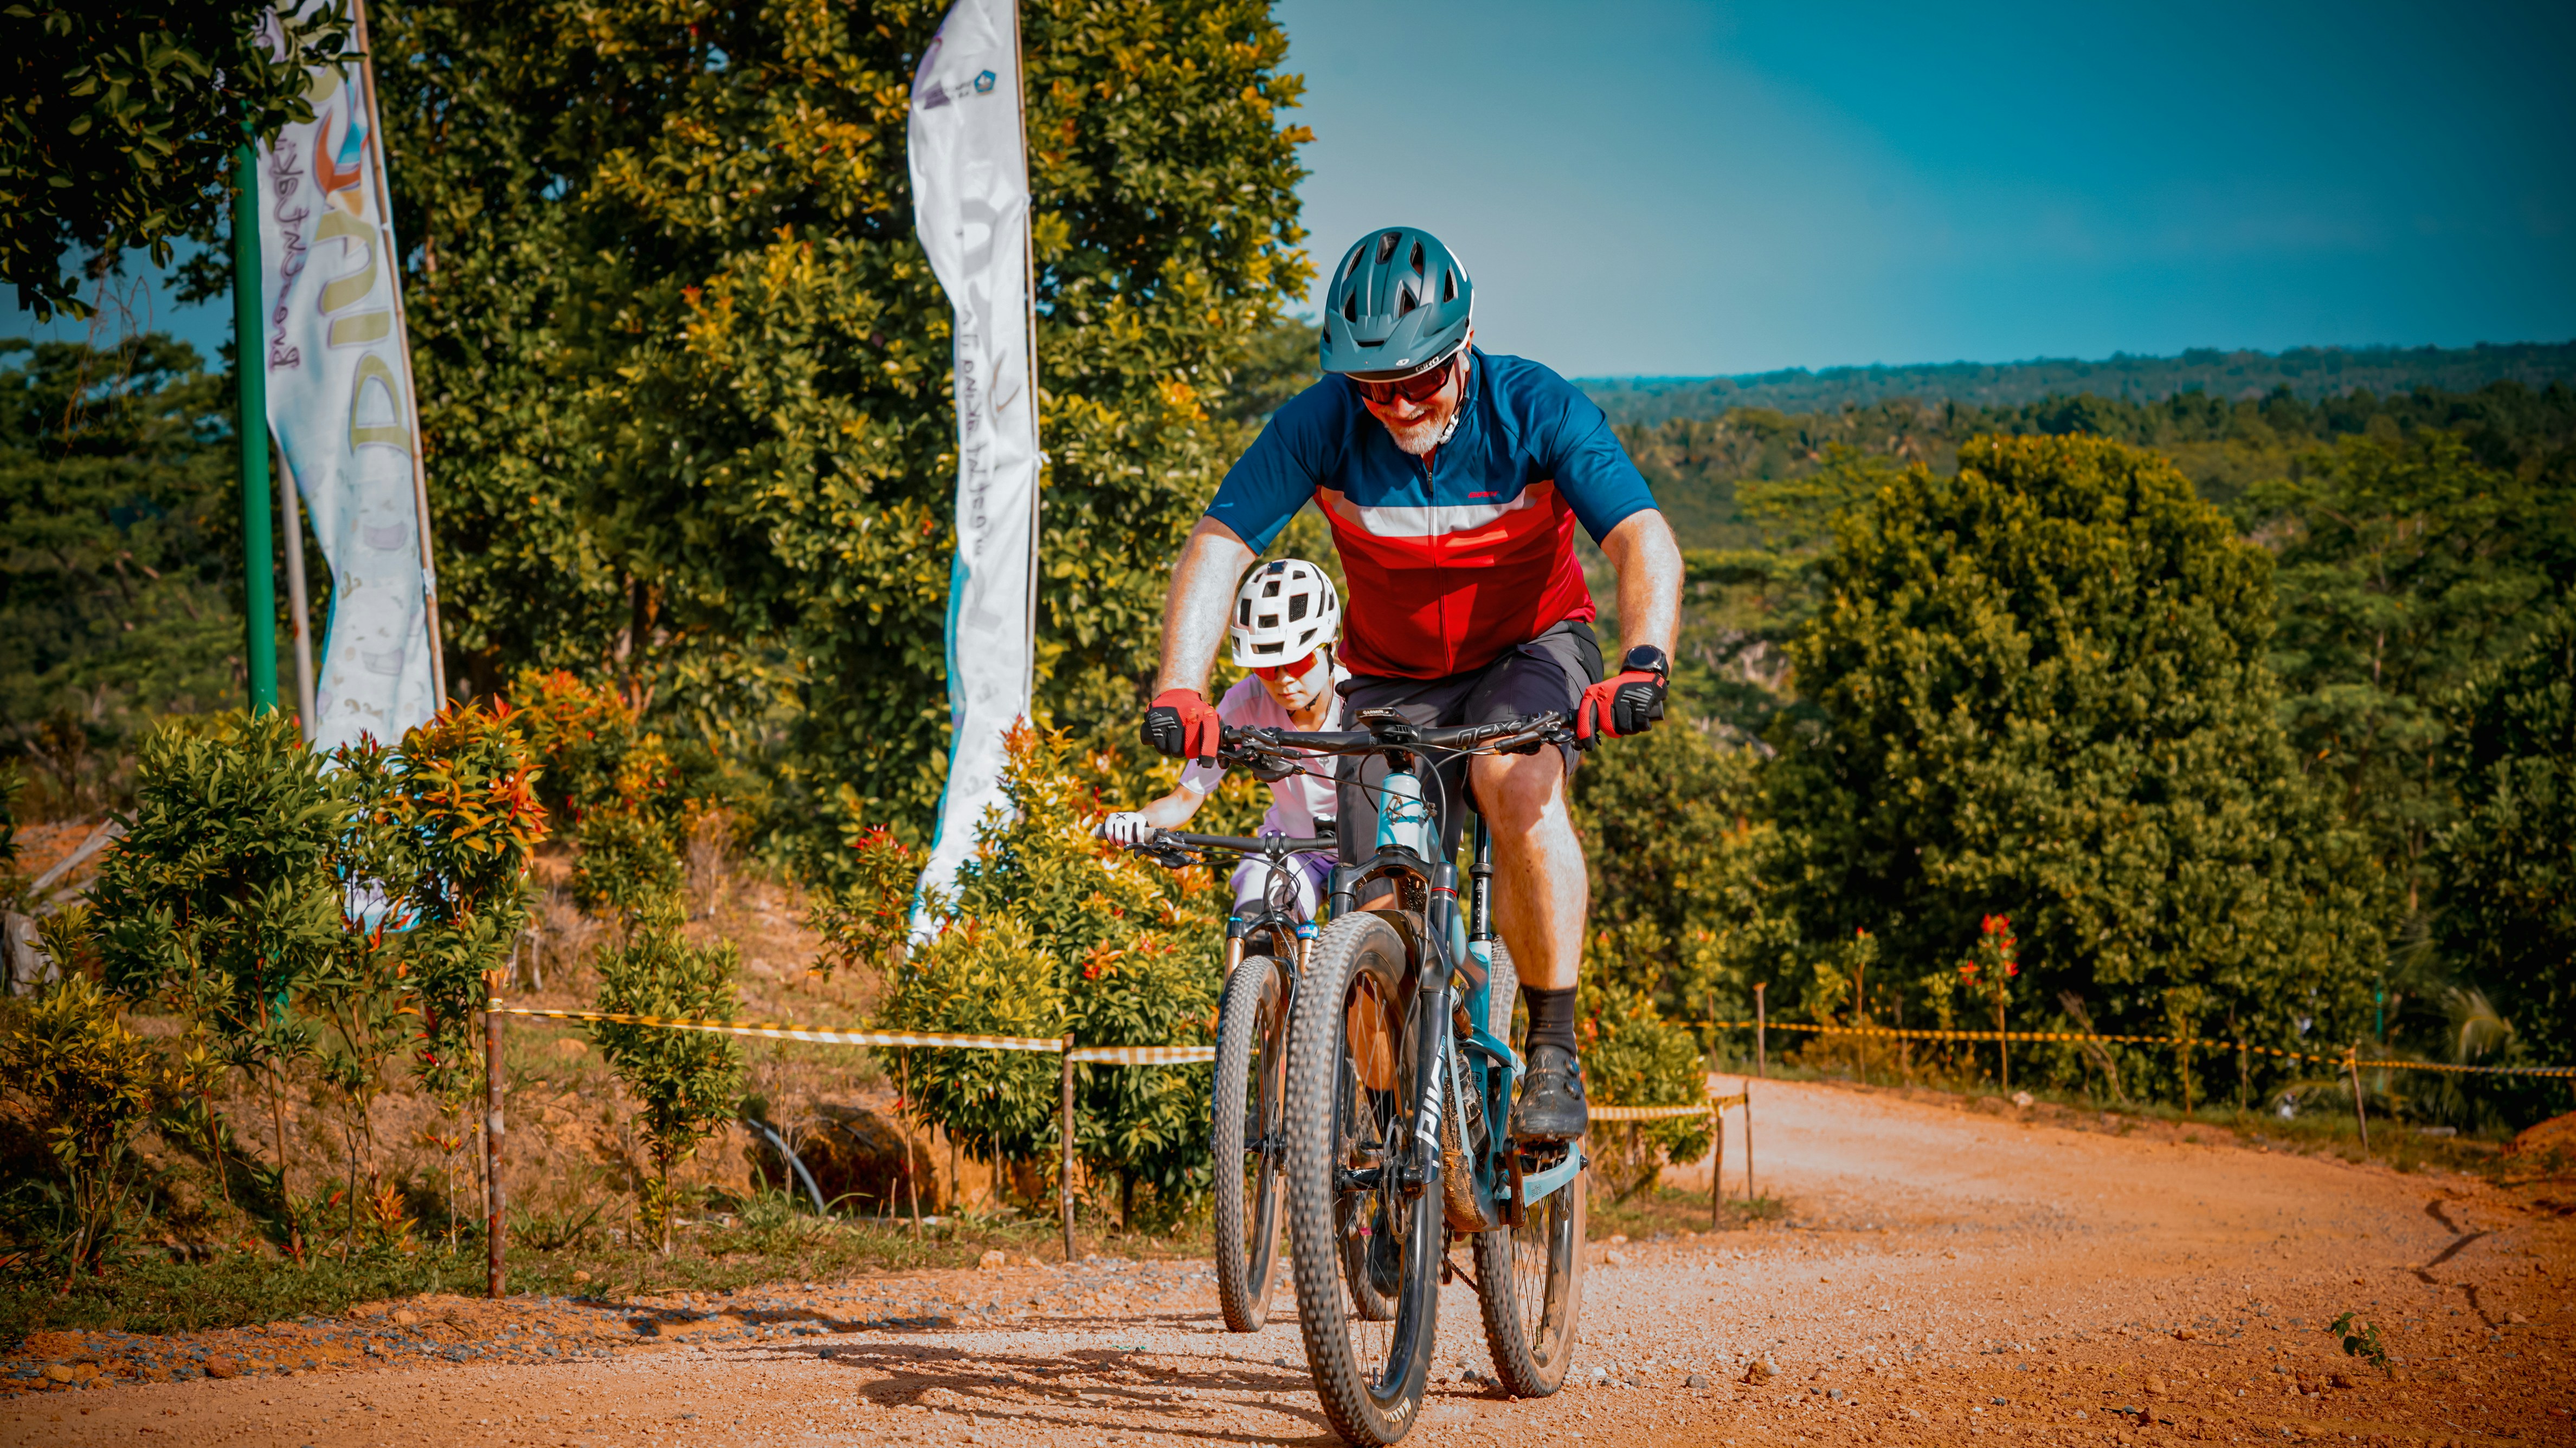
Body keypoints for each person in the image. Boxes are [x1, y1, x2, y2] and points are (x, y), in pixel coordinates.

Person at [1140, 225, 1684, 1144]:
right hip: (1392, 673)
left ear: (1462, 347)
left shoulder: (1533, 407)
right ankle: (1393, 1143)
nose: (1394, 405)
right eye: (1371, 386)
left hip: (1529, 648)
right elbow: (1218, 547)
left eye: (1417, 381)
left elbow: (1641, 538)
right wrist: (1179, 687)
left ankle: (1552, 1045)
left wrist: (1646, 659)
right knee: (1368, 892)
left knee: (1511, 781)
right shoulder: (1321, 423)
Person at [1104, 559, 1347, 925]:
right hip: (1294, 847)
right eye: (1266, 666)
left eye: (1297, 661)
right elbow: (1185, 799)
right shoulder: (1244, 702)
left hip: (1366, 845)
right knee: (1253, 920)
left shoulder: (1361, 696)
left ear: (1329, 645)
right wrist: (1137, 820)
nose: (1282, 681)